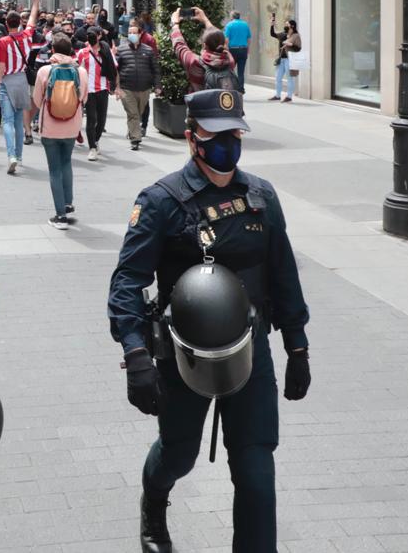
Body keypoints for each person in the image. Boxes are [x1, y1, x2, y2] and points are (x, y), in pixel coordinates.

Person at [107, 89, 311, 553]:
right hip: (186, 355)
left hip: (249, 348)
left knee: (257, 472)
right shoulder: (161, 201)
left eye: (235, 133)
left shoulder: (260, 195)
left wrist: (297, 346)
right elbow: (127, 282)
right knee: (178, 454)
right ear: (191, 138)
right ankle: (154, 501)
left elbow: (283, 272)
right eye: (217, 136)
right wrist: (135, 352)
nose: (228, 144)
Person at [32, 34, 86, 229]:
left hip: (50, 127)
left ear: (52, 50)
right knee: (66, 163)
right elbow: (84, 99)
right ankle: (68, 202)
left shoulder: (45, 71)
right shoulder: (81, 71)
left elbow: (37, 100)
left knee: (54, 169)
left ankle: (60, 216)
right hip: (72, 125)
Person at [0, 0, 40, 174]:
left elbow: (1, 67)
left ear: (5, 23)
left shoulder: (3, 41)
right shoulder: (27, 36)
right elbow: (34, 16)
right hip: (22, 80)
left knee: (8, 122)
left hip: (7, 81)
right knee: (19, 122)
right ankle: (19, 156)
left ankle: (11, 155)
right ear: (20, 22)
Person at [170, 7, 237, 92]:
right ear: (224, 43)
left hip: (202, 104)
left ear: (204, 45)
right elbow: (218, 37)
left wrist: (175, 24)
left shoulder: (195, 63)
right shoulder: (229, 60)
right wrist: (206, 20)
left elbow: (179, 45)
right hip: (223, 103)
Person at [116, 24, 161, 151]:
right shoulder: (121, 49)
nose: (132, 35)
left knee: (138, 113)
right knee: (133, 114)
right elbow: (115, 70)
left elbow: (155, 70)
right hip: (127, 88)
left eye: (134, 32)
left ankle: (132, 130)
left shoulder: (148, 50)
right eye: (130, 32)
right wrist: (116, 87)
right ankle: (135, 139)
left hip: (144, 89)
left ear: (140, 34)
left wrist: (157, 86)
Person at [76, 26, 117, 161]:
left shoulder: (106, 51)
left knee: (101, 120)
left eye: (93, 34)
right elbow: (79, 71)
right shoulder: (83, 52)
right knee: (91, 119)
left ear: (99, 36)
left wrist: (117, 87)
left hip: (103, 89)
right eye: (88, 35)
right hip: (89, 90)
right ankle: (92, 147)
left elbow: (114, 69)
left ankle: (96, 140)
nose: (90, 37)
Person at [270, 14, 301, 103]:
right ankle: (277, 95)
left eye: (287, 24)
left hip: (290, 59)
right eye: (285, 24)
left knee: (290, 78)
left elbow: (299, 48)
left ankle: (289, 96)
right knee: (278, 78)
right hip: (281, 59)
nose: (285, 26)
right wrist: (272, 24)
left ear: (292, 26)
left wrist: (291, 44)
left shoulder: (296, 36)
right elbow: (272, 34)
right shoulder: (282, 34)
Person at [223, 11, 252, 92]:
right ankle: (240, 89)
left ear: (232, 17)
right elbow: (249, 39)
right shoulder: (245, 25)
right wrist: (248, 49)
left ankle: (231, 88)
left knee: (230, 70)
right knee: (241, 72)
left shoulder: (229, 25)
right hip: (243, 49)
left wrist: (226, 50)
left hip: (233, 50)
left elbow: (226, 39)